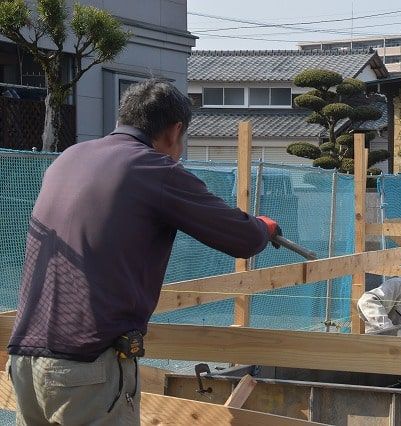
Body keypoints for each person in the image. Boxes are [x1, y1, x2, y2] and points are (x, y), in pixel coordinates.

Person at [7, 79, 282, 425]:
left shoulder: (70, 157)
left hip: (25, 362)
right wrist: (263, 228)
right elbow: (241, 237)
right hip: (87, 368)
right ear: (175, 131)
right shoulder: (154, 169)